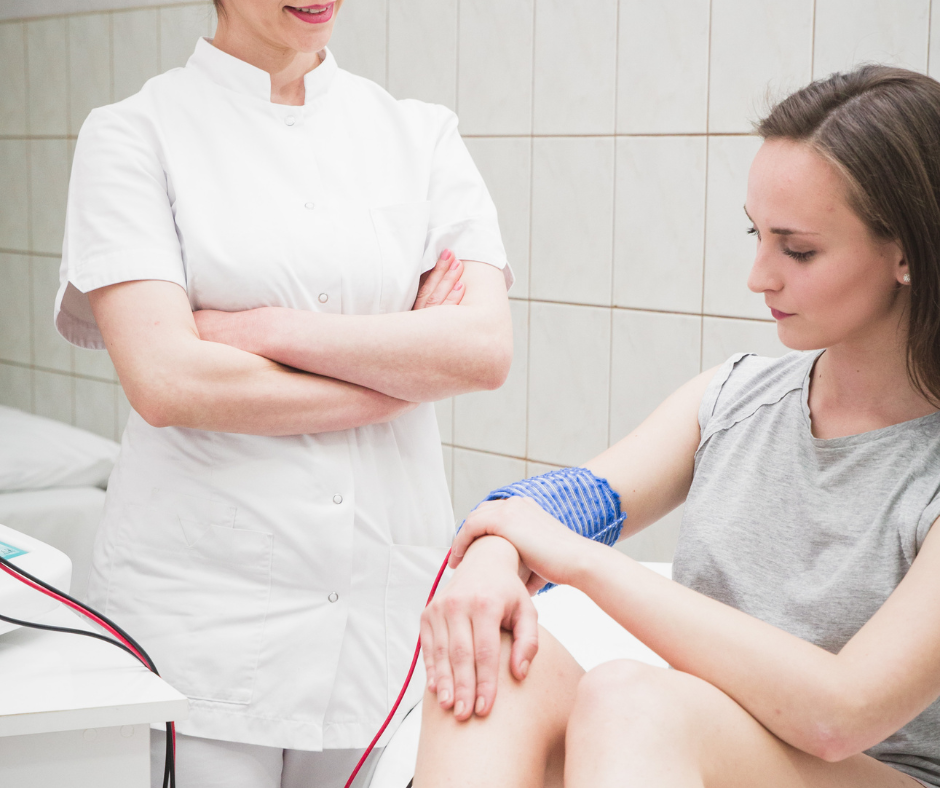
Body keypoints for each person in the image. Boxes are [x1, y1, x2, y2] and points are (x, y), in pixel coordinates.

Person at [415, 65, 940, 788]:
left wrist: (580, 563)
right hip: (682, 748)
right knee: (493, 652)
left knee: (632, 699)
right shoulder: (735, 399)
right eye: (756, 235)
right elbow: (576, 499)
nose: (759, 275)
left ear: (907, 252)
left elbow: (840, 715)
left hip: (869, 772)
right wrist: (493, 559)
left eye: (798, 249)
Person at [53, 1, 513, 786]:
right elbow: (168, 382)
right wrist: (400, 368)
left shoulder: (420, 134)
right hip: (200, 645)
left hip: (383, 633)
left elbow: (481, 350)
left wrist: (262, 330)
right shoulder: (135, 133)